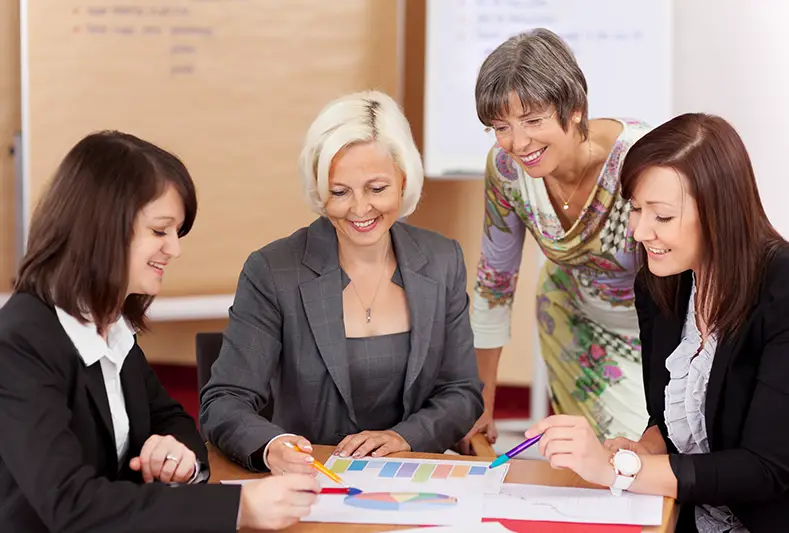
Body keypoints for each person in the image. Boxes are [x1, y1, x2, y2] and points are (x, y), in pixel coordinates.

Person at [0, 131, 319, 532]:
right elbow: (70, 504)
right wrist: (237, 508)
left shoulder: (109, 325)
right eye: (160, 231)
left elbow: (172, 419)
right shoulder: (19, 344)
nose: (175, 249)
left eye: (177, 232)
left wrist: (175, 454)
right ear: (102, 227)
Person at [526, 113, 789, 531]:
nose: (639, 231)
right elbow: (672, 425)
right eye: (635, 209)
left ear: (719, 212)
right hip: (686, 516)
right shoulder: (661, 284)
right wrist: (641, 448)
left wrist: (620, 468)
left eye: (662, 216)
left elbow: (765, 468)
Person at [200, 90, 483, 475]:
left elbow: (462, 391)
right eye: (340, 192)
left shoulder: (442, 260)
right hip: (310, 484)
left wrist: (406, 437)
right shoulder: (273, 270)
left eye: (377, 188)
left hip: (414, 482)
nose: (360, 209)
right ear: (319, 190)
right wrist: (272, 446)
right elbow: (224, 400)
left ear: (403, 179)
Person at [462, 28, 651, 452]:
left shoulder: (641, 158)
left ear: (575, 109)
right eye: (501, 126)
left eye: (533, 120)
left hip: (655, 331)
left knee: (650, 457)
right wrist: (482, 403)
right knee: (603, 463)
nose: (519, 142)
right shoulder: (507, 169)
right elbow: (495, 284)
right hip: (573, 320)